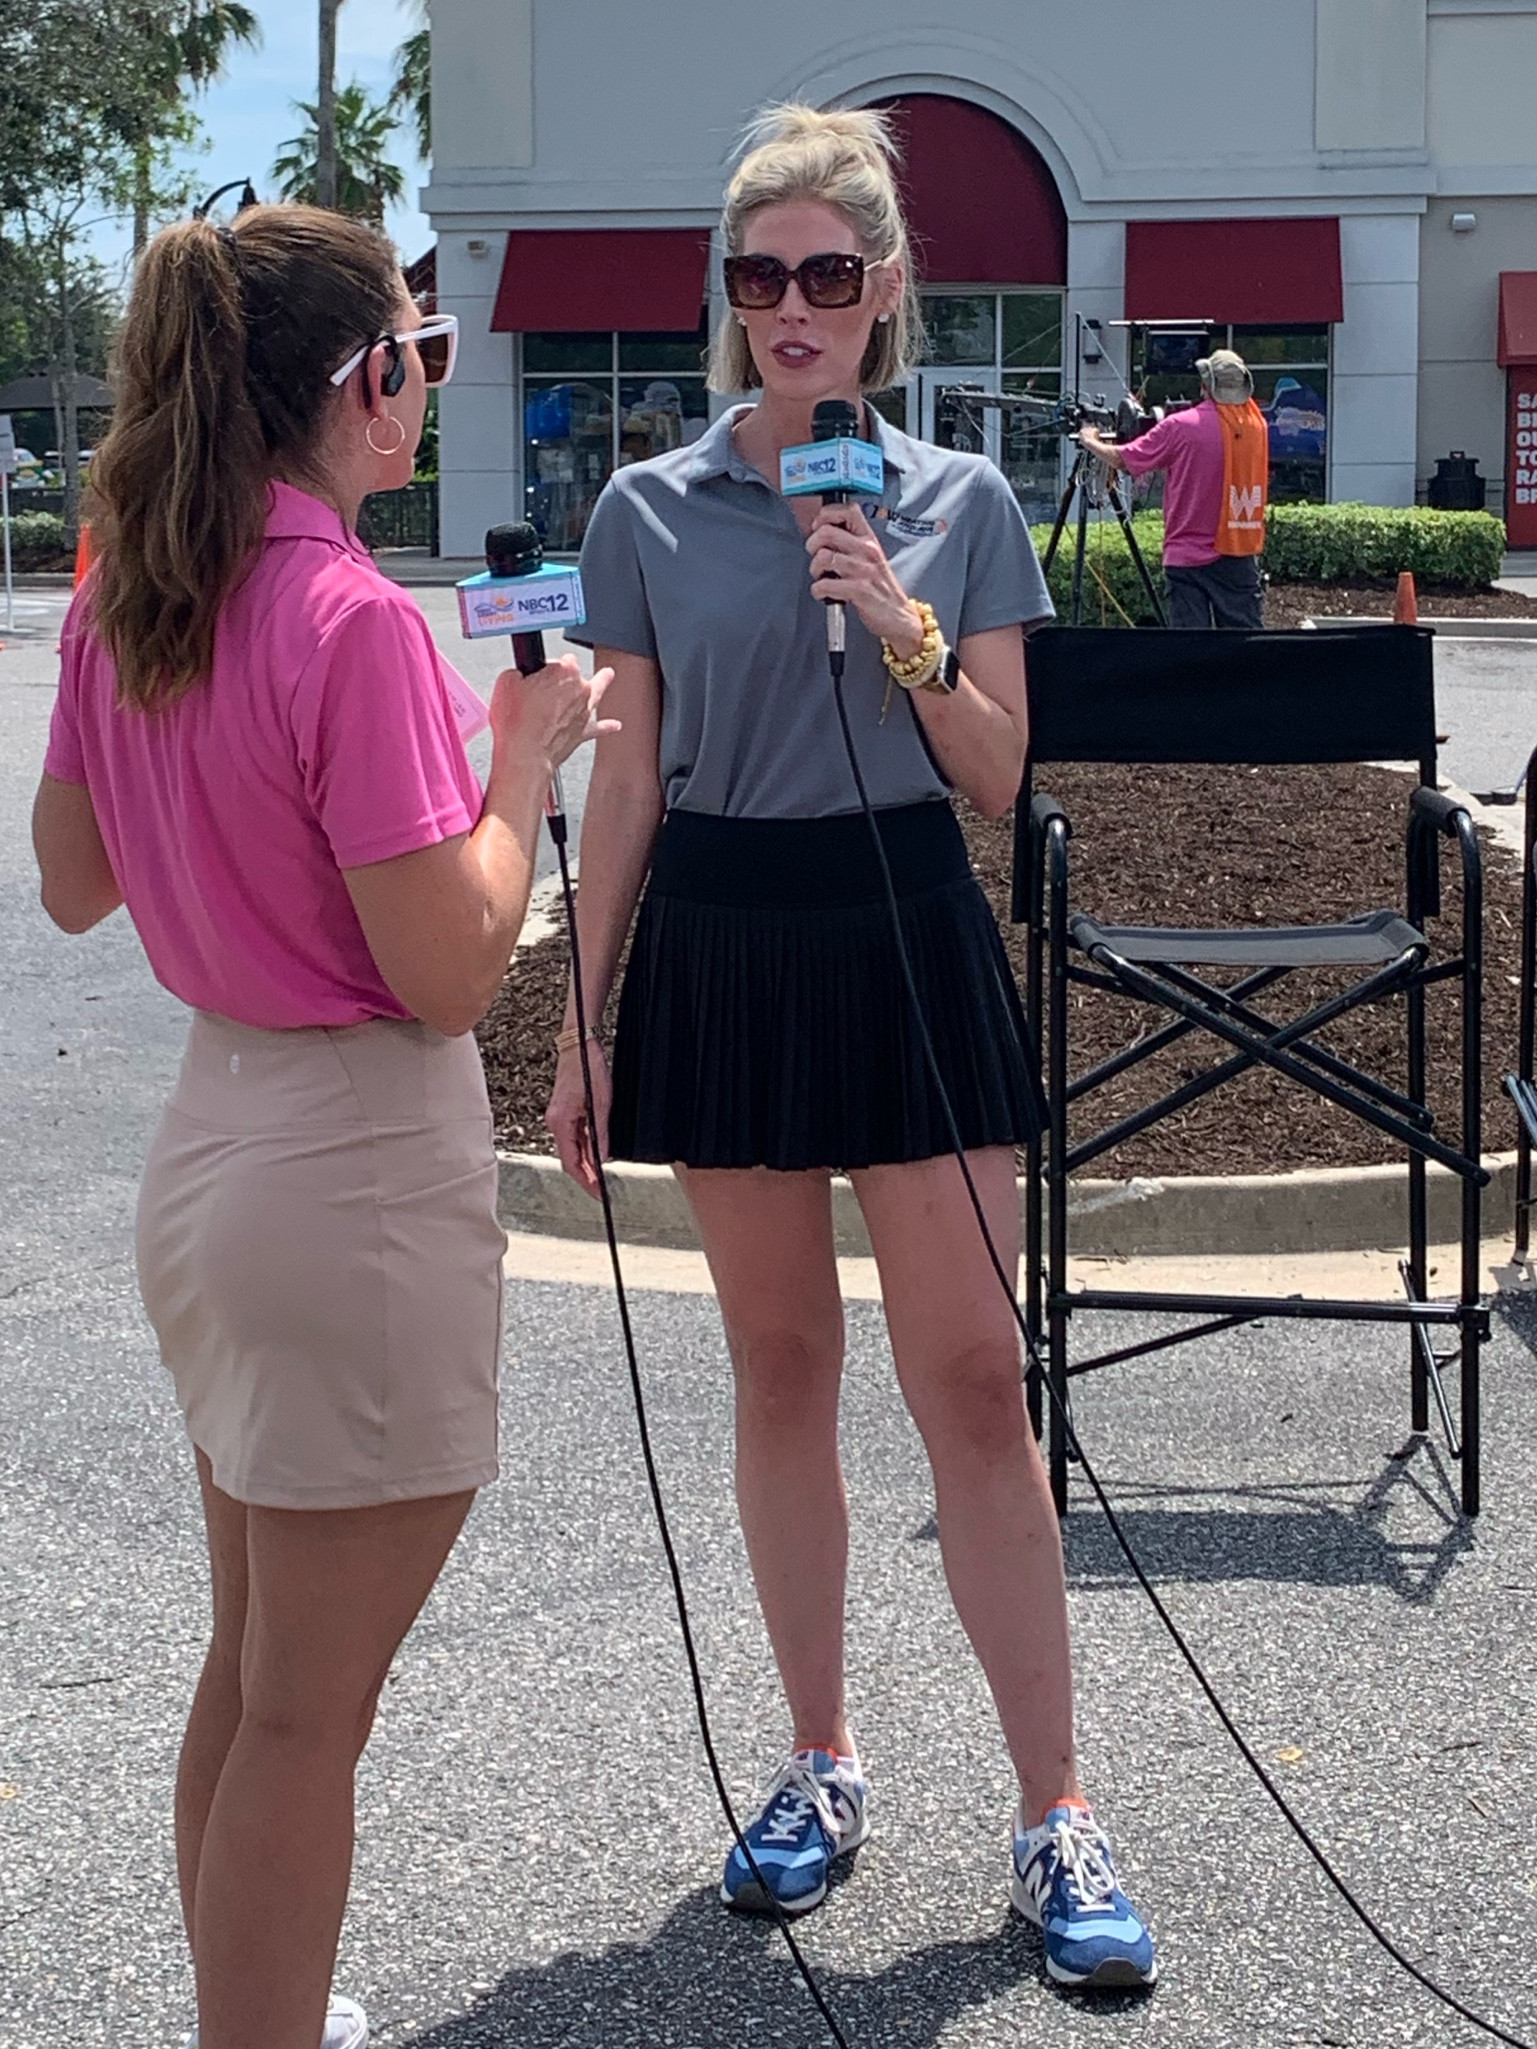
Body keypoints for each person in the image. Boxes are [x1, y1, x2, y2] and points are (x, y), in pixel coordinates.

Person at [544, 103, 1156, 1992]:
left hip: (904, 916)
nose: (792, 306)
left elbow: (995, 772)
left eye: (827, 272)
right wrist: (575, 1017)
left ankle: (1053, 1802)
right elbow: (632, 777)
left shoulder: (959, 503)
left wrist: (892, 614)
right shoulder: (641, 511)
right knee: (782, 1358)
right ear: (728, 297)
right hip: (725, 934)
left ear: (886, 291)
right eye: (759, 276)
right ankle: (820, 1759)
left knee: (974, 1377)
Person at [30, 205, 611, 2049]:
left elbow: (67, 881)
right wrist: (523, 762)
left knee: (261, 1664)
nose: (424, 385)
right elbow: (446, 965)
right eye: (417, 358)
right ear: (368, 380)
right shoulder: (347, 614)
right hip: (346, 1159)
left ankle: (250, 2008)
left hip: (212, 1141)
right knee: (306, 1703)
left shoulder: (138, 584)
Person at [1080, 346, 1269, 628]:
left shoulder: (1181, 426)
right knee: (1245, 650)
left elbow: (1124, 459)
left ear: (1205, 384)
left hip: (1188, 556)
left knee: (1190, 654)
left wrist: (1090, 440)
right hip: (1239, 550)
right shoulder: (1257, 426)